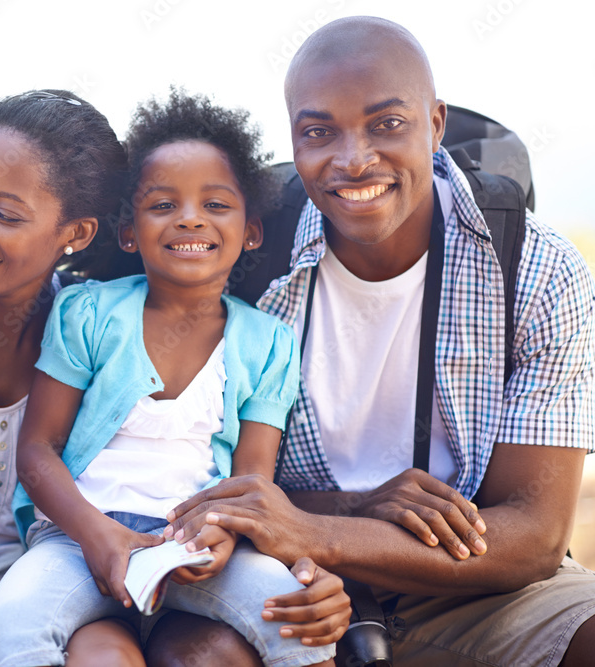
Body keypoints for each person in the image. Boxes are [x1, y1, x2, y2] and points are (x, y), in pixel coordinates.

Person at [0, 89, 348, 666]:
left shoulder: (267, 343)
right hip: (64, 549)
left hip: (189, 547)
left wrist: (227, 535)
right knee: (16, 627)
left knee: (295, 613)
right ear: (129, 231)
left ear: (251, 230)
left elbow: (251, 486)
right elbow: (37, 452)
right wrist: (96, 535)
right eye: (163, 205)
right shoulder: (84, 315)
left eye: (214, 204)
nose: (189, 218)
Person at [164, 16, 595, 667]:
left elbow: (532, 535)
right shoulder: (246, 264)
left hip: (472, 581)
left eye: (386, 124)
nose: (353, 158)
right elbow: (198, 482)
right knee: (199, 653)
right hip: (284, 570)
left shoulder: (534, 269)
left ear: (436, 124)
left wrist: (321, 528)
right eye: (318, 132)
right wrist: (349, 511)